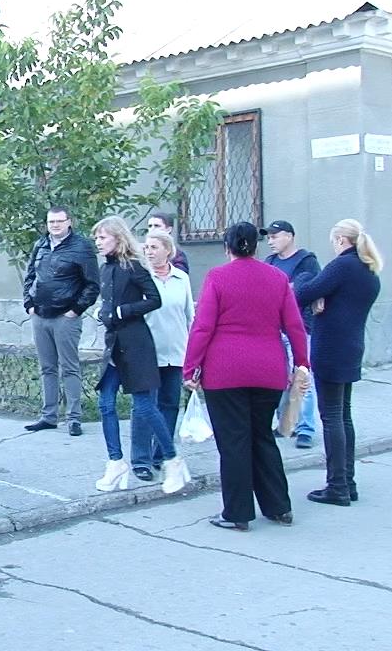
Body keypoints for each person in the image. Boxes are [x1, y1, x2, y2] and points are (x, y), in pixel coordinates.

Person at [183, 222, 308, 531]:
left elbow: (203, 327)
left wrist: (191, 367)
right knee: (262, 436)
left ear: (227, 247)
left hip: (224, 371)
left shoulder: (217, 277)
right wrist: (302, 363)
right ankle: (279, 507)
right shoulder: (277, 278)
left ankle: (237, 513)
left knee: (233, 442)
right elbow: (294, 325)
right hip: (268, 370)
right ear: (255, 246)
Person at [89, 217, 190, 495]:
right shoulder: (105, 269)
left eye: (102, 237)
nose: (98, 242)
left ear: (118, 238)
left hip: (136, 344)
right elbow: (107, 302)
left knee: (145, 405)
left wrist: (123, 311)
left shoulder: (133, 266)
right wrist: (103, 313)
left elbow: (154, 299)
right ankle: (115, 462)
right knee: (105, 403)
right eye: (97, 238)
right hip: (114, 344)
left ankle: (172, 459)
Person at [295, 219, 383, 507]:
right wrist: (322, 296)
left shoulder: (342, 266)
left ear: (341, 240)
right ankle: (348, 482)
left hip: (330, 348)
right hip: (351, 348)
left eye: (333, 241)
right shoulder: (369, 270)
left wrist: (306, 280)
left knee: (331, 416)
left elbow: (302, 293)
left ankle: (337, 487)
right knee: (344, 415)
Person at [22, 206, 101, 436]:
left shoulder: (81, 247)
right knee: (47, 367)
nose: (55, 225)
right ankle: (48, 416)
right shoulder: (41, 245)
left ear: (69, 222)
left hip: (66, 317)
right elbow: (30, 276)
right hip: (40, 314)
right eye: (51, 222)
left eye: (59, 221)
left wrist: (75, 310)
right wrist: (29, 304)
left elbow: (92, 284)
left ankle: (73, 418)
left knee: (69, 367)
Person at [130, 230, 194, 481]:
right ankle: (141, 460)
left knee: (170, 404)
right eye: (146, 247)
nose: (148, 251)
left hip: (176, 351)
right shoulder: (140, 277)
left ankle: (161, 455)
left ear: (168, 250)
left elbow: (189, 316)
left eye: (154, 247)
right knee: (145, 406)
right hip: (147, 352)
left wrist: (193, 352)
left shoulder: (181, 278)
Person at [261, 219, 321, 449]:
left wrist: (287, 290)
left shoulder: (306, 261)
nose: (270, 241)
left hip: (300, 328)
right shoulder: (270, 262)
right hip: (274, 328)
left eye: (275, 236)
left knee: (303, 378)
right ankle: (286, 424)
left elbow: (306, 291)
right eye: (268, 237)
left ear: (289, 236)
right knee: (280, 378)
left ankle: (306, 429)